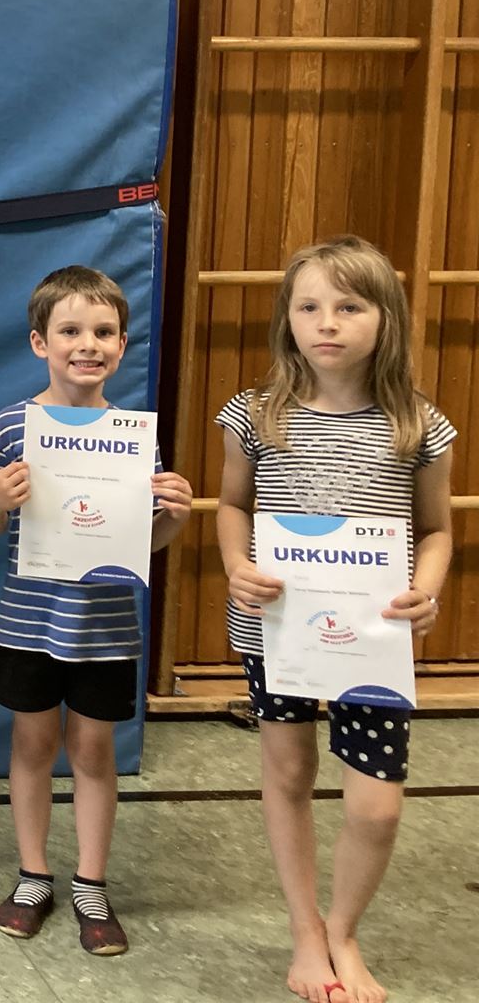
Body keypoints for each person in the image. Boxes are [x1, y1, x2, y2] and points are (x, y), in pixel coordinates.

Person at [217, 237, 454, 1003]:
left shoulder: (418, 424)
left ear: (387, 318)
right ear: (287, 318)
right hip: (277, 630)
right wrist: (236, 565)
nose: (328, 323)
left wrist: (427, 589)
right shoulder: (255, 415)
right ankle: (306, 928)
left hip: (374, 641)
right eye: (310, 306)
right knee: (288, 773)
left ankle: (345, 929)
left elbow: (437, 529)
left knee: (376, 806)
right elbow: (232, 506)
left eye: (350, 306)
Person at [0, 266, 193, 956]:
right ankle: (34, 875)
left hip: (107, 628)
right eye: (70, 331)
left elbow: (142, 542)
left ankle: (91, 882)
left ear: (121, 345)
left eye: (103, 332)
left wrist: (174, 519)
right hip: (27, 623)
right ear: (41, 342)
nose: (86, 344)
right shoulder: (9, 427)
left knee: (94, 751)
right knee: (32, 745)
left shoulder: (133, 437)